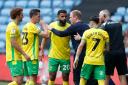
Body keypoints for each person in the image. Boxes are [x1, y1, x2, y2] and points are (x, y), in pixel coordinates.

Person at [47, 10, 98, 85]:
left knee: (77, 78)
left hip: (79, 55)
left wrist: (51, 29)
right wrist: (81, 39)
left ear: (75, 17)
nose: (69, 19)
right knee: (88, 77)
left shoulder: (73, 27)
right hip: (89, 56)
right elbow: (91, 41)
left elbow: (61, 34)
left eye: (70, 17)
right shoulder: (87, 26)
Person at [73, 16, 109, 85]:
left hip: (88, 60)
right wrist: (100, 50)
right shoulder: (105, 33)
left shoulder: (87, 32)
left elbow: (81, 46)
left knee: (83, 78)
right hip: (100, 61)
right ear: (98, 23)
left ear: (92, 23)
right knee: (101, 80)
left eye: (90, 23)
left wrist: (76, 58)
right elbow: (107, 48)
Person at [41, 10, 71, 85]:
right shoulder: (52, 25)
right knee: (52, 76)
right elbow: (45, 38)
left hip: (65, 57)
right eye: (62, 16)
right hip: (53, 56)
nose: (64, 18)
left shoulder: (69, 27)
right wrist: (41, 50)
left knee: (65, 77)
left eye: (65, 16)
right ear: (58, 17)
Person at [99, 9, 128, 85]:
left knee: (106, 76)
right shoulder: (119, 24)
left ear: (104, 16)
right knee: (122, 76)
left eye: (100, 16)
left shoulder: (103, 26)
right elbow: (122, 36)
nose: (99, 18)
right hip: (121, 53)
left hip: (110, 54)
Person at [22, 9, 48, 85]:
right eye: (38, 16)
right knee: (33, 80)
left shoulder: (25, 26)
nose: (39, 18)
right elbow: (46, 35)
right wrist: (43, 25)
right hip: (32, 57)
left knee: (28, 80)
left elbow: (28, 41)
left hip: (25, 56)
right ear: (33, 16)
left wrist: (39, 48)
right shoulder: (33, 27)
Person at [6, 8, 30, 85]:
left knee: (17, 82)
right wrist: (25, 54)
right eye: (22, 15)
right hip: (14, 58)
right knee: (18, 81)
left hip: (15, 57)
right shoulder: (13, 26)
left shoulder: (14, 26)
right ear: (17, 16)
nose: (23, 16)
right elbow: (13, 42)